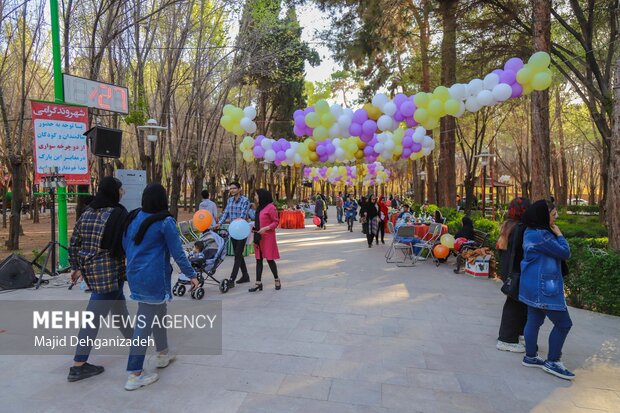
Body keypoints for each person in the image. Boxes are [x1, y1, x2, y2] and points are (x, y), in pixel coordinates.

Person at [122, 183, 198, 390]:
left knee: (159, 312)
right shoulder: (165, 222)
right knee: (143, 326)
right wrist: (192, 275)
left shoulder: (134, 217)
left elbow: (125, 245)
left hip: (136, 275)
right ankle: (134, 374)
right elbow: (178, 252)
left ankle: (163, 354)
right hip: (152, 278)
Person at [67, 177, 132, 382]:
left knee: (119, 309)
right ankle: (78, 365)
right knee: (92, 319)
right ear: (114, 191)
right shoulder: (118, 213)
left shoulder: (86, 213)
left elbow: (74, 243)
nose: (122, 192)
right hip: (109, 273)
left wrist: (77, 267)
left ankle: (136, 341)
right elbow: (127, 243)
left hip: (92, 272)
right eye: (121, 189)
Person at [519, 200, 574, 380]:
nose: (556, 217)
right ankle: (553, 361)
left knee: (534, 319)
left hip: (531, 285)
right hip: (545, 287)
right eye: (553, 214)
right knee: (564, 323)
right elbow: (565, 253)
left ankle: (531, 356)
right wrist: (559, 234)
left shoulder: (530, 231)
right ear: (543, 215)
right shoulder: (542, 235)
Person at [496, 197, 531, 353]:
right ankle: (506, 339)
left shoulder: (509, 225)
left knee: (518, 305)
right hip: (516, 273)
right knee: (514, 305)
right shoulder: (520, 229)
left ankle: (516, 334)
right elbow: (518, 254)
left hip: (509, 273)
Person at [216, 182, 250, 285]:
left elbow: (243, 215)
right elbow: (225, 213)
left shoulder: (245, 200)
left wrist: (237, 221)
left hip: (242, 230)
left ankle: (232, 279)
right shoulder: (229, 200)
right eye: (230, 189)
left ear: (240, 189)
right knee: (238, 254)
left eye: (234, 188)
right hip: (233, 231)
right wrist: (219, 223)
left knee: (238, 255)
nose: (232, 190)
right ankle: (245, 276)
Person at [249, 189, 281, 292]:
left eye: (257, 196)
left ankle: (276, 279)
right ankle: (258, 283)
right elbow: (258, 221)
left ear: (262, 197)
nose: (255, 198)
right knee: (258, 259)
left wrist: (266, 228)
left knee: (270, 259)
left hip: (268, 237)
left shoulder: (271, 207)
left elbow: (276, 222)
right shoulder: (259, 208)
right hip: (258, 237)